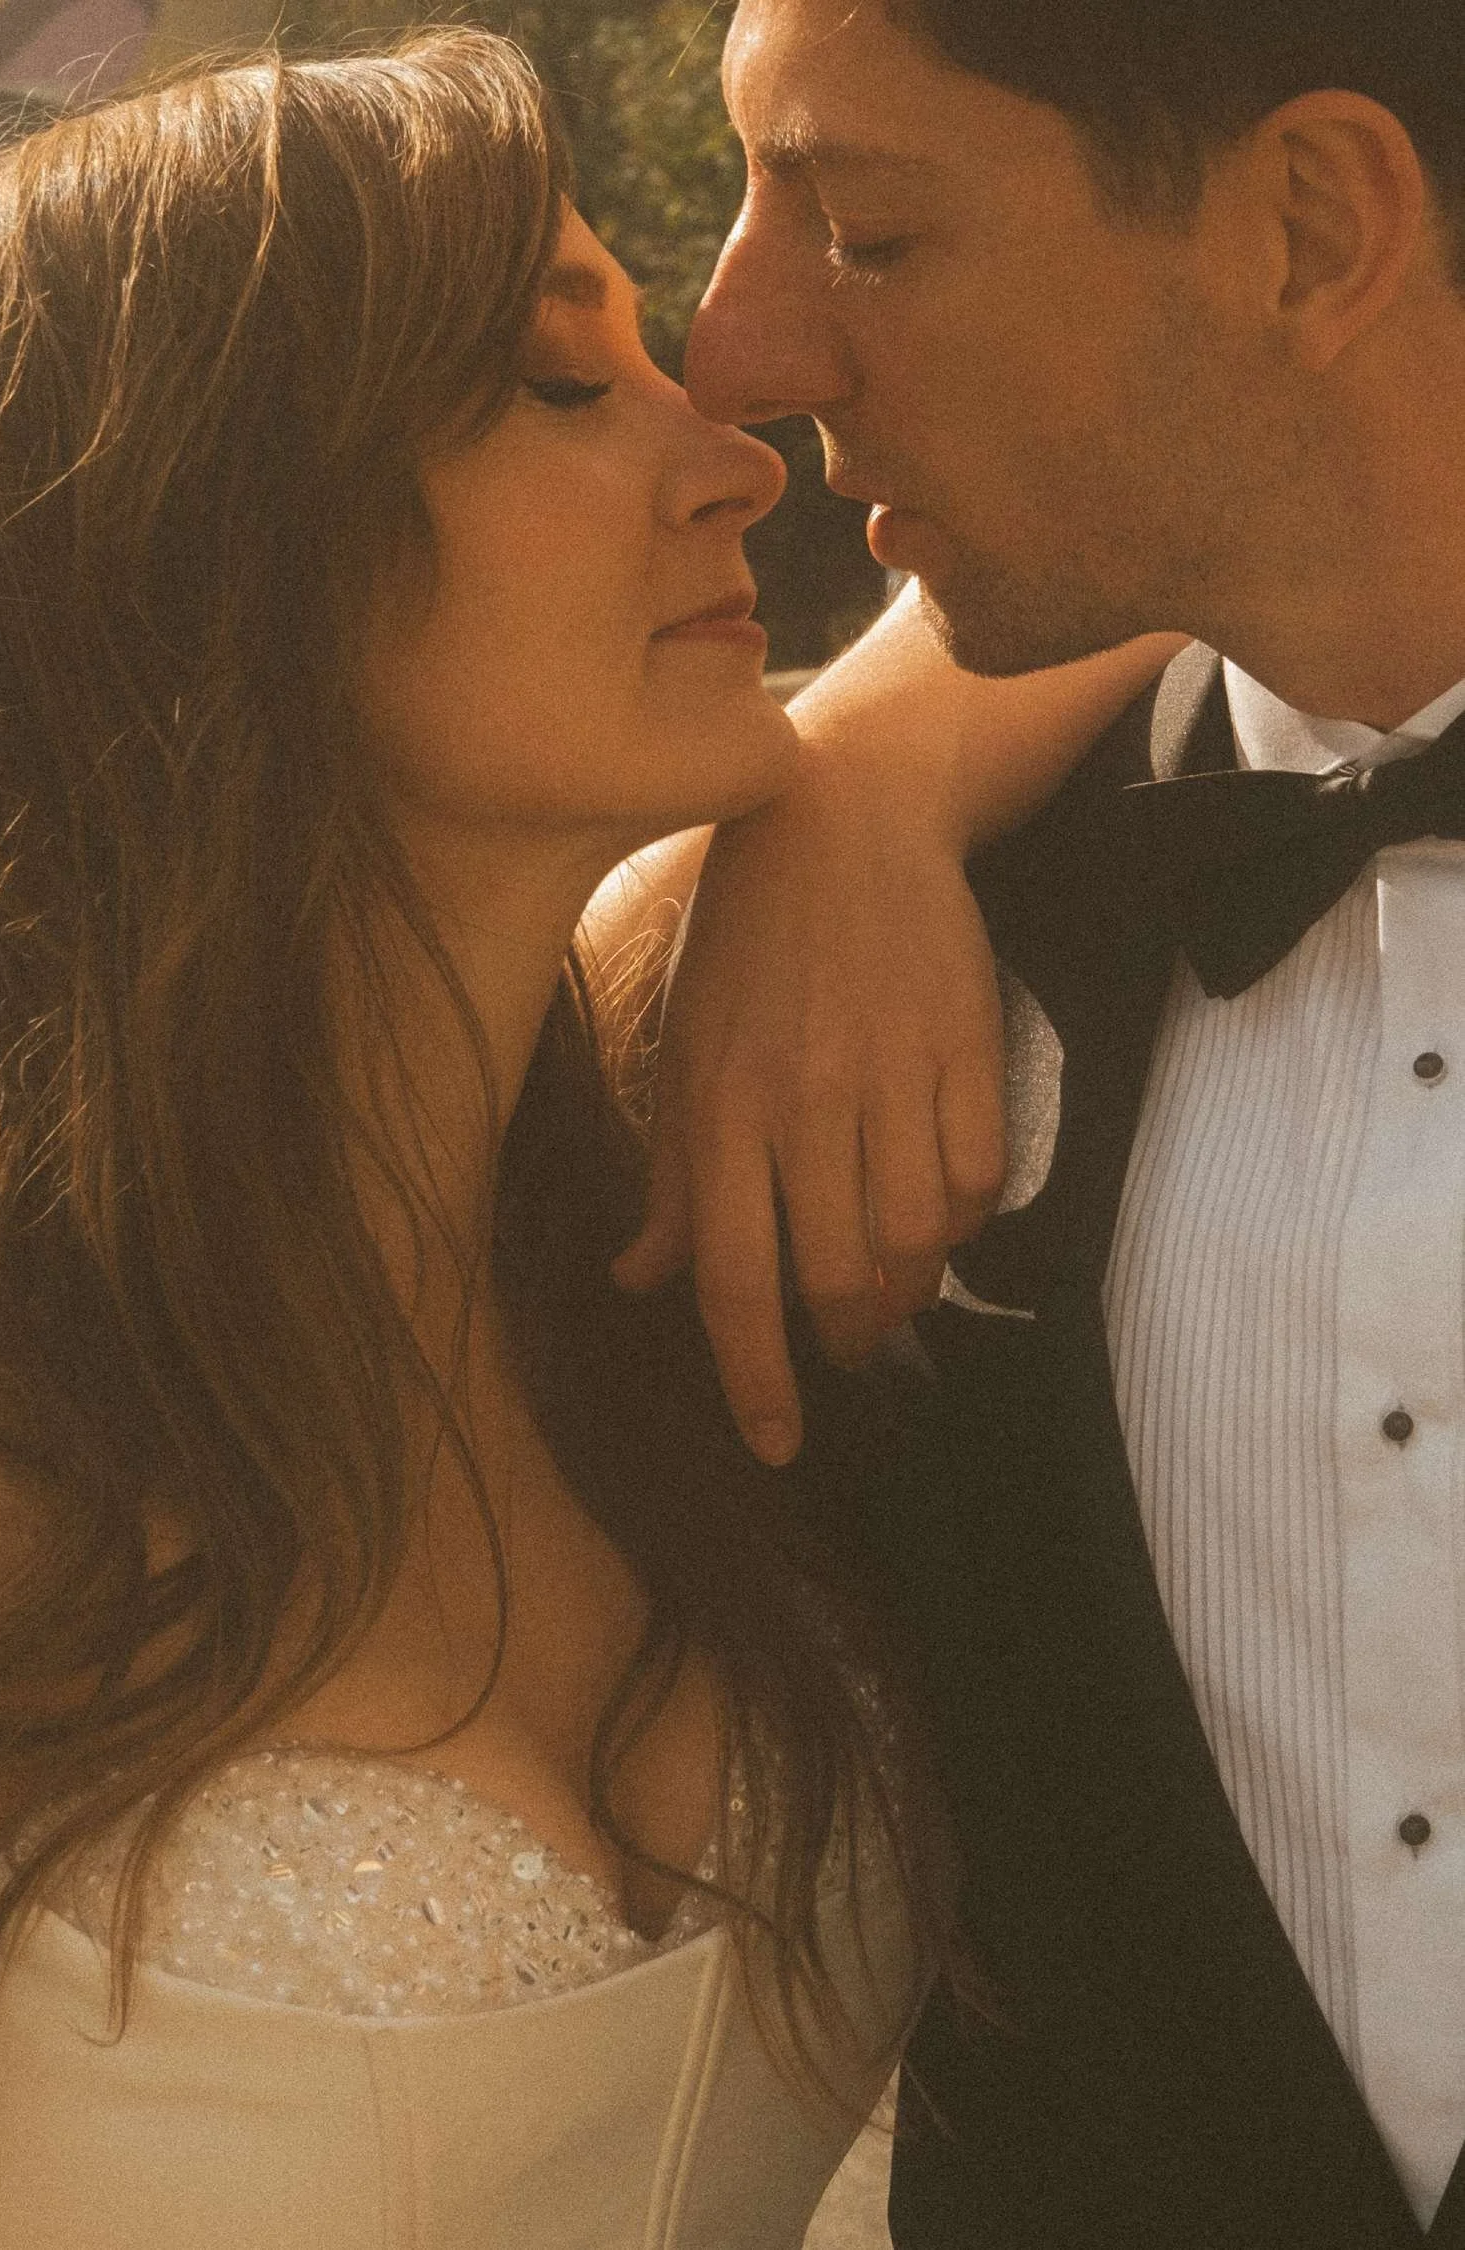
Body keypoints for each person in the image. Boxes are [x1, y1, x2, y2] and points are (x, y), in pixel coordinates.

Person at [0, 31, 1007, 2246]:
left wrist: (873, 782)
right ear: (220, 537)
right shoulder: (3, 1431)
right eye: (560, 386)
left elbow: (1194, 564)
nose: (734, 460)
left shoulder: (656, 1195)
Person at [612, 0, 1465, 2243]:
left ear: (1309, 230)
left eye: (865, 228)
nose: (737, 350)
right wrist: (849, 795)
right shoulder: (833, 951)